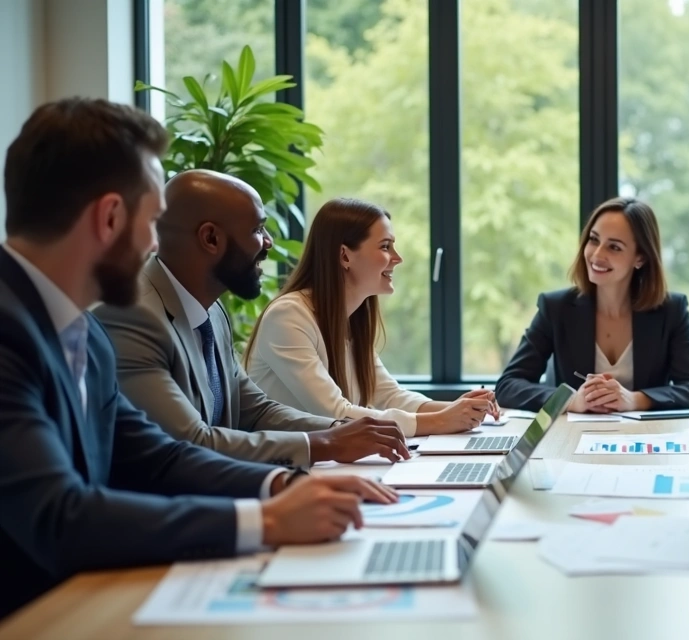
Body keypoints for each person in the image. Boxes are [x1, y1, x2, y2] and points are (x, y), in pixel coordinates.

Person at [0, 98, 396, 617]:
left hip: (83, 601)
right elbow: (60, 516)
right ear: (111, 218)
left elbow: (158, 456)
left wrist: (282, 484)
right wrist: (268, 521)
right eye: (153, 220)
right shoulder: (11, 333)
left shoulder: (85, 337)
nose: (154, 242)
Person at [94, 170, 408, 468]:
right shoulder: (133, 314)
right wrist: (326, 444)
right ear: (211, 239)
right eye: (257, 230)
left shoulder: (211, 313)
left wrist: (341, 430)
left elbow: (254, 410)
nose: (269, 242)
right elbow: (190, 442)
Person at [244, 198, 497, 436]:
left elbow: (390, 396)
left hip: (326, 465)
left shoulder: (350, 319)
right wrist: (443, 420)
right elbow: (336, 415)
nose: (397, 258)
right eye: (385, 246)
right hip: (287, 473)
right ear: (345, 256)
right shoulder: (287, 316)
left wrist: (461, 409)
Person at [495, 197, 689, 413]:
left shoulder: (671, 310)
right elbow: (508, 386)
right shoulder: (556, 308)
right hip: (570, 438)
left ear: (640, 258)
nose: (597, 255)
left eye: (614, 247)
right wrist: (572, 401)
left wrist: (634, 400)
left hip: (644, 439)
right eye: (593, 240)